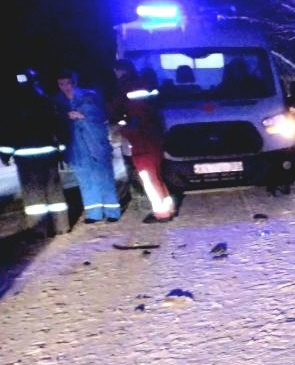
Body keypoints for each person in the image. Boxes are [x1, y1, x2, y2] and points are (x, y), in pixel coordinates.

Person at [0, 69, 70, 235]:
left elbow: (7, 131)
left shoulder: (11, 105)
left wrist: (5, 154)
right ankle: (62, 226)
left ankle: (40, 230)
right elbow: (58, 125)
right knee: (54, 191)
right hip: (49, 153)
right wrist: (61, 150)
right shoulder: (45, 101)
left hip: (26, 157)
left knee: (33, 196)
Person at [53, 68, 121, 223]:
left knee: (104, 177)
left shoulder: (89, 96)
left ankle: (112, 212)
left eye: (67, 83)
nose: (65, 87)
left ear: (74, 82)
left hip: (96, 143)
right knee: (85, 181)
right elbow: (56, 123)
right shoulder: (58, 102)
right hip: (76, 148)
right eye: (61, 84)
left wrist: (83, 116)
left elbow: (100, 115)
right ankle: (93, 214)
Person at [114, 59, 175, 223]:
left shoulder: (124, 87)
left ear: (119, 71)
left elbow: (116, 112)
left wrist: (124, 128)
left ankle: (161, 213)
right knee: (157, 176)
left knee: (148, 178)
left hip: (141, 142)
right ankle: (168, 207)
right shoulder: (146, 83)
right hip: (154, 139)